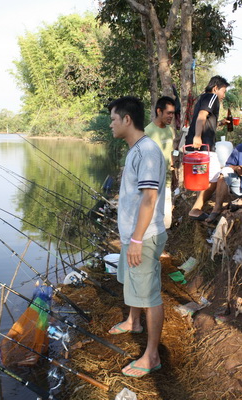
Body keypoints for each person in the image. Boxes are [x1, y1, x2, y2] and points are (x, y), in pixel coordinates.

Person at [107, 96, 168, 378]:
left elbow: (149, 198)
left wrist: (136, 239)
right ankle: (134, 321)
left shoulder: (147, 152)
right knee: (132, 281)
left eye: (113, 119)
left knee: (150, 294)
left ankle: (152, 355)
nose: (111, 124)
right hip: (134, 235)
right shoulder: (135, 149)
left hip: (144, 237)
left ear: (127, 120)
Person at [185, 75, 230, 221]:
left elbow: (207, 121)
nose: (224, 95)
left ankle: (197, 209)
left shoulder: (204, 98)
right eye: (223, 91)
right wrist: (197, 136)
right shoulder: (212, 97)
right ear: (216, 88)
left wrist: (221, 122)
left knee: (202, 177)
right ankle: (198, 209)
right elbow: (202, 116)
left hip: (198, 146)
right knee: (218, 177)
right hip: (202, 147)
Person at [206, 143, 242, 222]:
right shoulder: (240, 148)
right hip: (239, 185)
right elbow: (228, 166)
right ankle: (217, 208)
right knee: (224, 172)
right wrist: (236, 168)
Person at [145, 96, 175, 169]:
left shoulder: (170, 130)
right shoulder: (147, 132)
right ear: (159, 112)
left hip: (168, 178)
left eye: (172, 113)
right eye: (168, 113)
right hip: (153, 178)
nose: (171, 116)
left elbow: (171, 155)